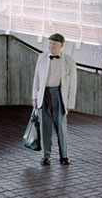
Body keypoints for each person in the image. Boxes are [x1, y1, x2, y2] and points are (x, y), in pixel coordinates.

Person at [31, 33, 77, 166]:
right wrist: (34, 97)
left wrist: (69, 103)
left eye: (54, 44)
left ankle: (64, 156)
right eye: (50, 43)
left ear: (61, 45)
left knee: (61, 126)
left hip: (59, 95)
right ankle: (45, 156)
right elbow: (36, 78)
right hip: (43, 95)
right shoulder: (42, 57)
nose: (51, 46)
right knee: (45, 127)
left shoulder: (69, 61)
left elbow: (73, 84)